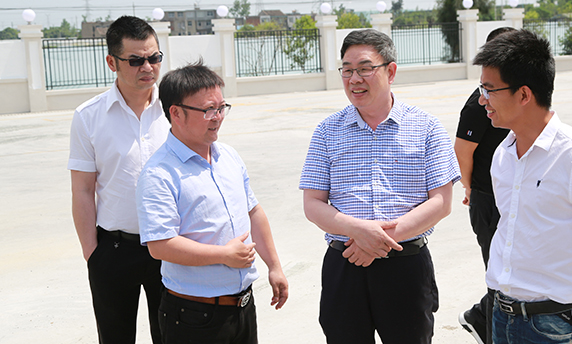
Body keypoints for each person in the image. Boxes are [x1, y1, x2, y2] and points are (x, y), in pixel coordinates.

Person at [299, 29, 460, 344]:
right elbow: (313, 204)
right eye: (347, 70)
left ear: (391, 71)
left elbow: (441, 202)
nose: (354, 79)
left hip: (405, 267)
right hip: (345, 265)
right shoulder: (327, 131)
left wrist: (380, 240)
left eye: (364, 68)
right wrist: (358, 231)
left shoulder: (426, 127)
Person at [474, 29, 572, 344]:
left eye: (489, 89)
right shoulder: (503, 154)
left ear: (524, 95)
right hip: (502, 315)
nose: (481, 99)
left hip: (555, 325)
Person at [136, 62, 288, 344]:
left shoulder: (227, 157)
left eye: (221, 108)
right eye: (208, 110)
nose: (217, 117)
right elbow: (160, 245)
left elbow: (253, 212)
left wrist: (274, 266)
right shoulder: (159, 173)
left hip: (242, 307)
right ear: (176, 113)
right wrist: (223, 255)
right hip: (194, 317)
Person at [68, 15, 168, 344]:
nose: (148, 67)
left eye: (154, 57)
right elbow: (83, 190)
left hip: (172, 248)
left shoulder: (176, 109)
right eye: (135, 60)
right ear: (112, 62)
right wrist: (93, 255)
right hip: (113, 250)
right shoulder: (89, 116)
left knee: (173, 337)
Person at [456, 27, 514, 344]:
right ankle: (488, 328)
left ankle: (479, 316)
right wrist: (469, 188)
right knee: (499, 277)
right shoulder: (478, 104)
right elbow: (462, 151)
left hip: (514, 197)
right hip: (488, 199)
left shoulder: (518, 97)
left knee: (514, 275)